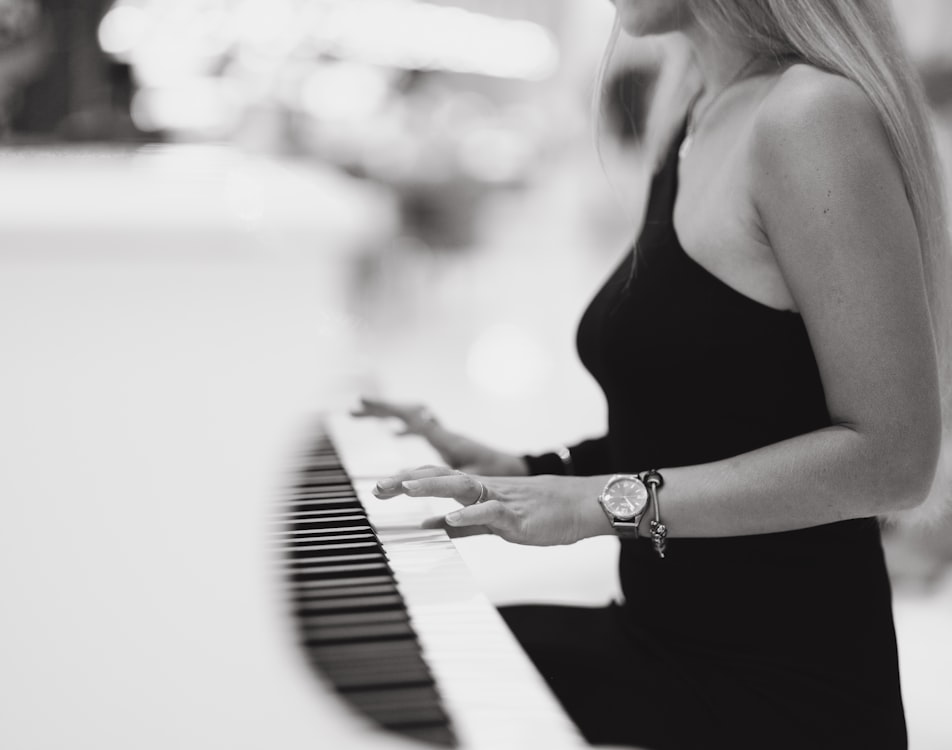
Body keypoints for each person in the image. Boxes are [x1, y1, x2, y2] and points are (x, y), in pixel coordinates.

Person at [356, 1, 952, 748]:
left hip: (774, 703)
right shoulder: (698, 111)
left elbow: (893, 460)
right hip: (659, 650)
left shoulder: (810, 116)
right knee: (399, 669)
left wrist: (600, 504)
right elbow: (718, 413)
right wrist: (532, 470)